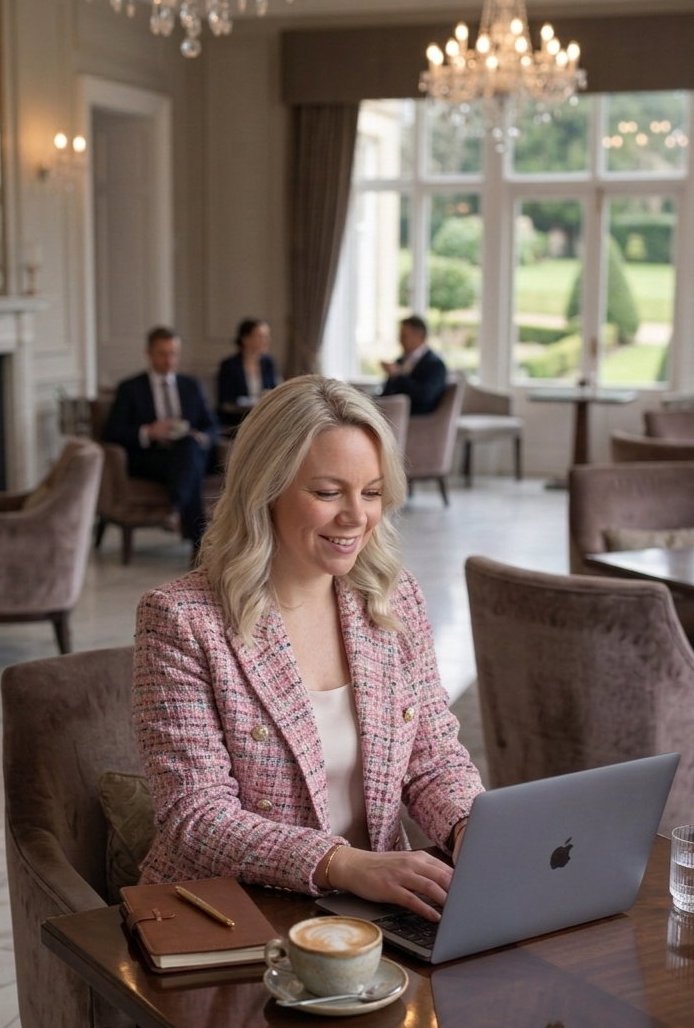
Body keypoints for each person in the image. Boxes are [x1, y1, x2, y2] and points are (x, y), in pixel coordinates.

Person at [133, 376, 483, 921]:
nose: (356, 517)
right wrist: (343, 865)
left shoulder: (393, 599)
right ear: (265, 488)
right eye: (327, 492)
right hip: (238, 915)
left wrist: (469, 828)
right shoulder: (181, 619)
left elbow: (431, 759)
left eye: (370, 492)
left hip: (377, 910)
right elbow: (196, 815)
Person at [102, 326, 218, 549]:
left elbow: (212, 425)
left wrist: (200, 437)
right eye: (163, 353)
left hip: (189, 452)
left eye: (173, 353)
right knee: (190, 465)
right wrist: (149, 431)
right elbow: (112, 432)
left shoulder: (191, 386)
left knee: (189, 448)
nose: (169, 360)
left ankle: (176, 510)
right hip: (153, 458)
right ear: (149, 353)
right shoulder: (130, 388)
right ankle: (199, 544)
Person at [216, 318, 279, 429]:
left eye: (266, 336)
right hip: (238, 416)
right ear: (245, 339)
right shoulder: (229, 365)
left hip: (264, 414)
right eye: (260, 336)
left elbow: (274, 392)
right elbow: (225, 400)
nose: (266, 340)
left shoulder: (268, 363)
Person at [380, 314, 447, 415]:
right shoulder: (400, 360)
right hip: (391, 413)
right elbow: (387, 394)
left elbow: (426, 396)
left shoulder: (435, 364)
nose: (400, 340)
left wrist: (397, 376)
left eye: (404, 336)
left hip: (416, 420)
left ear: (418, 336)